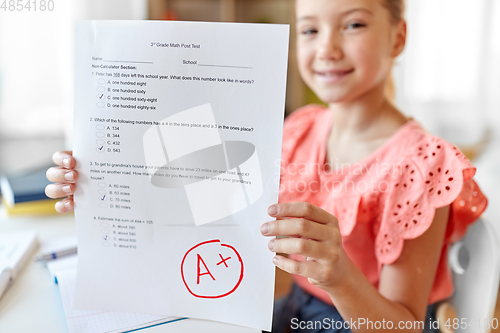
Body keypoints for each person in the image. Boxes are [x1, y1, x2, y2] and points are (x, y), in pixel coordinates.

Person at [46, 0, 488, 332]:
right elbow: (227, 219)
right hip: (294, 307)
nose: (327, 48)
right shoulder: (300, 129)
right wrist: (103, 185)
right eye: (310, 30)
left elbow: (405, 325)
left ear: (398, 37)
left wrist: (340, 277)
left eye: (353, 24)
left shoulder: (423, 164)